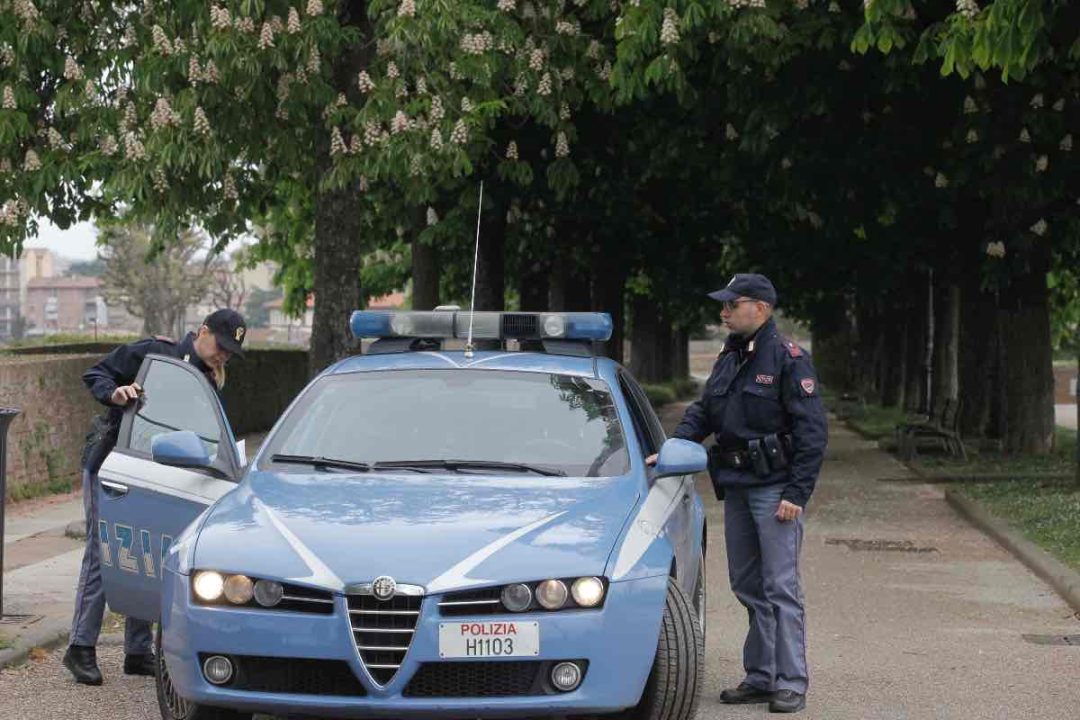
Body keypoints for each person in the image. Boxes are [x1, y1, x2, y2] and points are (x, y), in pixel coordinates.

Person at [649, 274, 827, 714]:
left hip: (775, 491)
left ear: (761, 309)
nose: (723, 311)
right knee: (747, 584)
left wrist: (797, 492)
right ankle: (762, 675)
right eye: (724, 305)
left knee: (780, 586)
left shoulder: (788, 359)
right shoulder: (730, 357)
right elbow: (704, 411)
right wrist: (673, 448)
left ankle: (791, 681)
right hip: (739, 489)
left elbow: (812, 433)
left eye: (733, 304)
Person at [63, 309, 246, 685]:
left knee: (150, 556)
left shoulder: (208, 380)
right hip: (113, 465)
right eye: (222, 346)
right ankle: (79, 647)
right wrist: (114, 393)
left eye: (231, 352)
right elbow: (95, 373)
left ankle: (137, 650)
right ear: (203, 332)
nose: (224, 355)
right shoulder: (154, 353)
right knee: (104, 551)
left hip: (164, 474)